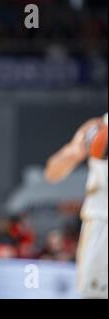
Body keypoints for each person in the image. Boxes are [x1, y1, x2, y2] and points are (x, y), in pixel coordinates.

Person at [45, 113, 108, 299]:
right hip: (102, 221)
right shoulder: (97, 127)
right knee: (94, 295)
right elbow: (52, 172)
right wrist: (79, 150)